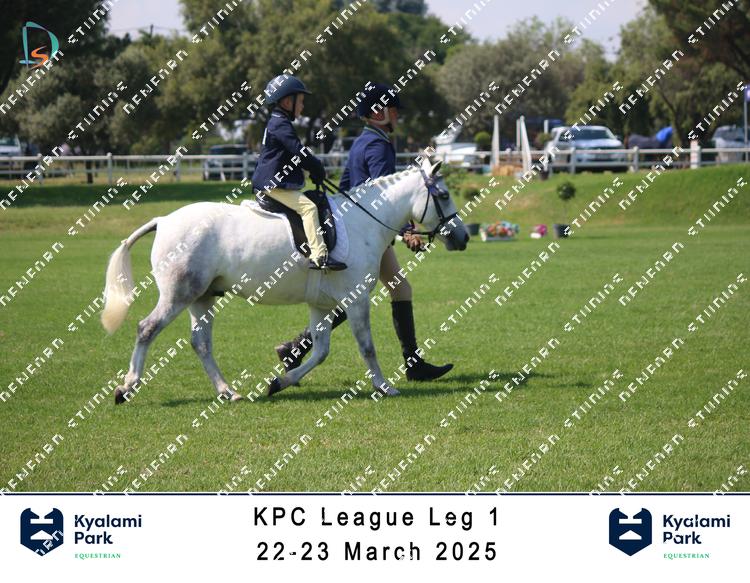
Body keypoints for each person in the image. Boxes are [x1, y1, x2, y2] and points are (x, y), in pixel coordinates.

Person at [274, 83, 453, 382]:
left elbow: (352, 187)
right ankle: (412, 364)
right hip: (364, 233)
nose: (397, 115)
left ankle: (297, 348)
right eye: (393, 110)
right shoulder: (378, 145)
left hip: (354, 227)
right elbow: (386, 195)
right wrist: (408, 230)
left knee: (376, 292)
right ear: (379, 112)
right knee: (381, 292)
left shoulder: (365, 140)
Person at [252, 74, 346, 271]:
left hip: (274, 181)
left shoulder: (278, 121)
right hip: (272, 183)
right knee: (308, 208)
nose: (302, 106)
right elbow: (298, 150)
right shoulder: (280, 124)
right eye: (301, 101)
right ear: (288, 102)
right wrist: (316, 167)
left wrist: (312, 170)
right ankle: (319, 256)